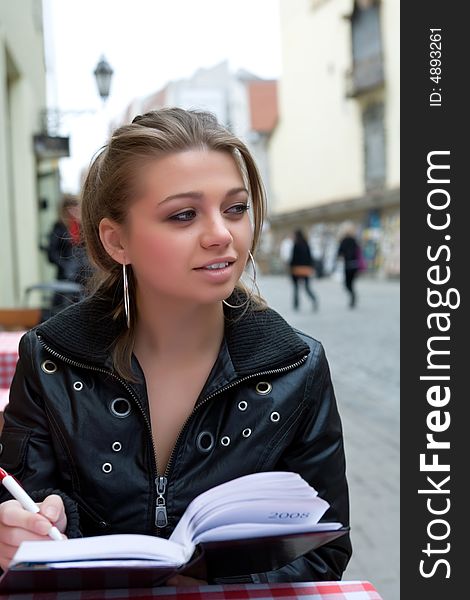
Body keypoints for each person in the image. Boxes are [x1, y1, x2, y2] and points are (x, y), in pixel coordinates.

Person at [0, 108, 351, 584]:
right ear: (116, 240)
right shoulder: (50, 360)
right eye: (184, 214)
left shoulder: (297, 368)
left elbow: (326, 547)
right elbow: (20, 508)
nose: (222, 235)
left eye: (235, 208)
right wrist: (24, 534)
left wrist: (210, 585)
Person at [44, 195, 91, 311]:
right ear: (65, 209)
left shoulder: (82, 227)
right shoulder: (59, 227)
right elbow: (51, 253)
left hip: (82, 277)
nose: (75, 210)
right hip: (65, 276)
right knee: (61, 308)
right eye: (71, 207)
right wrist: (65, 266)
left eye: (76, 206)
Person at [289, 229, 319, 311]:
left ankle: (296, 305)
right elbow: (310, 257)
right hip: (305, 269)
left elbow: (293, 258)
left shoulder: (296, 244)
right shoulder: (306, 244)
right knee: (307, 287)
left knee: (296, 288)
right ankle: (314, 299)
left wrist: (290, 268)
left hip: (296, 269)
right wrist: (310, 267)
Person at [337, 223, 362, 308]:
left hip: (348, 265)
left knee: (347, 284)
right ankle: (353, 296)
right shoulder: (355, 240)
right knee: (351, 283)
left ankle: (352, 296)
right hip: (355, 265)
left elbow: (339, 253)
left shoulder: (343, 241)